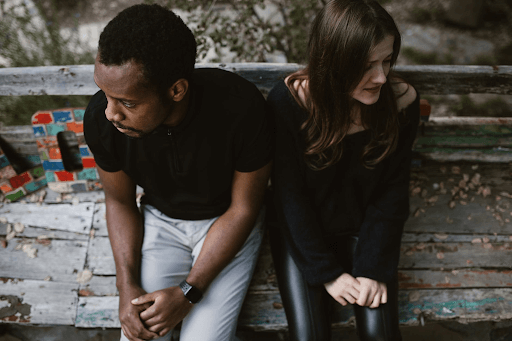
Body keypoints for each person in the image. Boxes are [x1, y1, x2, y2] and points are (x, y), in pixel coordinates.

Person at [83, 4, 273, 341]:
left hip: (227, 224)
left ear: (176, 90)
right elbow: (120, 202)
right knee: (139, 334)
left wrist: (189, 291)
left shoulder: (241, 108)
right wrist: (126, 286)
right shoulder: (102, 118)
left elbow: (244, 208)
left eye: (127, 102)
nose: (111, 113)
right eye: (105, 95)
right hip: (160, 222)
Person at [267, 0, 419, 340]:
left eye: (387, 60)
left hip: (366, 233)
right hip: (303, 238)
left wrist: (373, 268)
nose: (381, 76)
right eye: (367, 65)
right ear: (334, 62)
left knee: (381, 335)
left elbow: (392, 192)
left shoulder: (401, 102)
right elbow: (289, 199)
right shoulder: (289, 103)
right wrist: (328, 274)